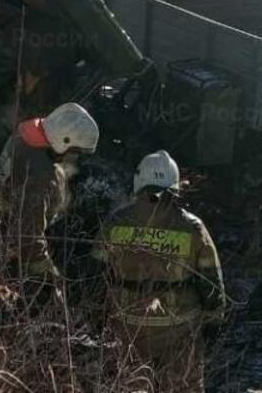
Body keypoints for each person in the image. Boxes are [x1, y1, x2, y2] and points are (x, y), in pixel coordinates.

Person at [92, 150, 226, 392]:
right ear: (174, 187)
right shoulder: (192, 227)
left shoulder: (115, 222)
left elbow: (94, 273)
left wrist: (97, 317)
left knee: (128, 385)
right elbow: (211, 282)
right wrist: (214, 320)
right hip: (179, 329)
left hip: (127, 325)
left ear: (139, 181)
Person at [0, 102, 99, 279]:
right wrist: (47, 271)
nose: (76, 156)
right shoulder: (41, 177)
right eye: (76, 151)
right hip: (5, 242)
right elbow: (28, 236)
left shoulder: (25, 134)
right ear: (64, 141)